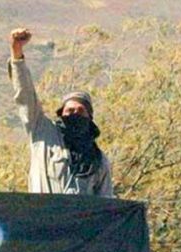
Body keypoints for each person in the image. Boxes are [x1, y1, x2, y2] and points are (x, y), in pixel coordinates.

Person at [8, 28, 113, 197]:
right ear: (61, 113)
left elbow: (105, 204)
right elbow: (26, 95)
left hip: (78, 223)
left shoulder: (98, 160)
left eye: (81, 111)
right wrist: (16, 52)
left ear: (90, 117)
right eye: (70, 110)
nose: (74, 114)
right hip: (42, 219)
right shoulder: (43, 132)